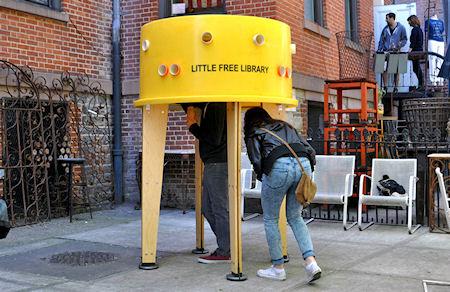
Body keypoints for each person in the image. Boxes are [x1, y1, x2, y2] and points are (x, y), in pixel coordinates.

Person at [243, 107, 321, 282]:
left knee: (271, 219)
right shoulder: (285, 125)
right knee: (295, 217)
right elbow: (309, 149)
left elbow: (256, 160)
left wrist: (264, 176)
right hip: (303, 165)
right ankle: (311, 263)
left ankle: (278, 268)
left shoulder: (254, 132)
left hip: (278, 166)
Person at [185, 102, 230, 263]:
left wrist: (193, 126)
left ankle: (226, 249)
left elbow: (214, 138)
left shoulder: (216, 105)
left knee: (218, 208)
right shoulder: (210, 105)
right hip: (214, 163)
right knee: (208, 208)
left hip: (217, 163)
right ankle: (228, 244)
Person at [377, 12, 408, 92]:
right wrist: (379, 50)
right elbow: (381, 40)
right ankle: (385, 87)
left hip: (396, 52)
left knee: (396, 70)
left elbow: (405, 39)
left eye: (387, 18)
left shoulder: (401, 28)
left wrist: (399, 45)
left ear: (392, 18)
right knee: (384, 68)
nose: (386, 20)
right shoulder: (385, 29)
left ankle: (396, 87)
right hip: (386, 52)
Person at [425, 13, 445, 86]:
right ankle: (433, 80)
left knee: (440, 59)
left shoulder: (441, 22)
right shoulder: (428, 21)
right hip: (432, 40)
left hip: (440, 41)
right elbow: (427, 31)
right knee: (432, 59)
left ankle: (440, 79)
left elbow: (441, 31)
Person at [407, 15, 424, 89]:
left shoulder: (414, 30)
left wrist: (409, 51)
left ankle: (421, 84)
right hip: (420, 50)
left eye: (409, 21)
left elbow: (413, 42)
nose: (409, 23)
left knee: (416, 68)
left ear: (412, 20)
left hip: (415, 52)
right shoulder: (420, 30)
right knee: (417, 67)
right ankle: (421, 84)